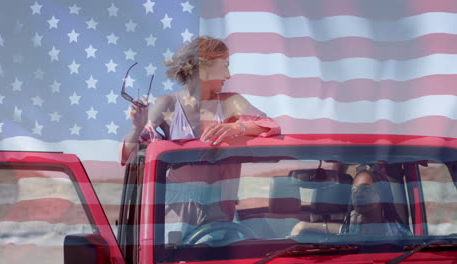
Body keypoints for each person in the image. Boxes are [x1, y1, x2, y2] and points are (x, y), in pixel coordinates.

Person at [121, 36, 280, 243]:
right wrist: (137, 127)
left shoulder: (231, 102)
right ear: (203, 67)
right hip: (176, 207)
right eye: (224, 66)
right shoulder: (167, 103)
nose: (228, 75)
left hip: (221, 206)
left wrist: (236, 127)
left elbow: (271, 126)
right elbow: (128, 156)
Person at [291, 163, 410, 236]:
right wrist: (301, 226)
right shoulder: (352, 225)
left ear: (381, 195)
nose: (358, 194)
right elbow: (339, 229)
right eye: (354, 190)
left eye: (366, 189)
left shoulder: (399, 234)